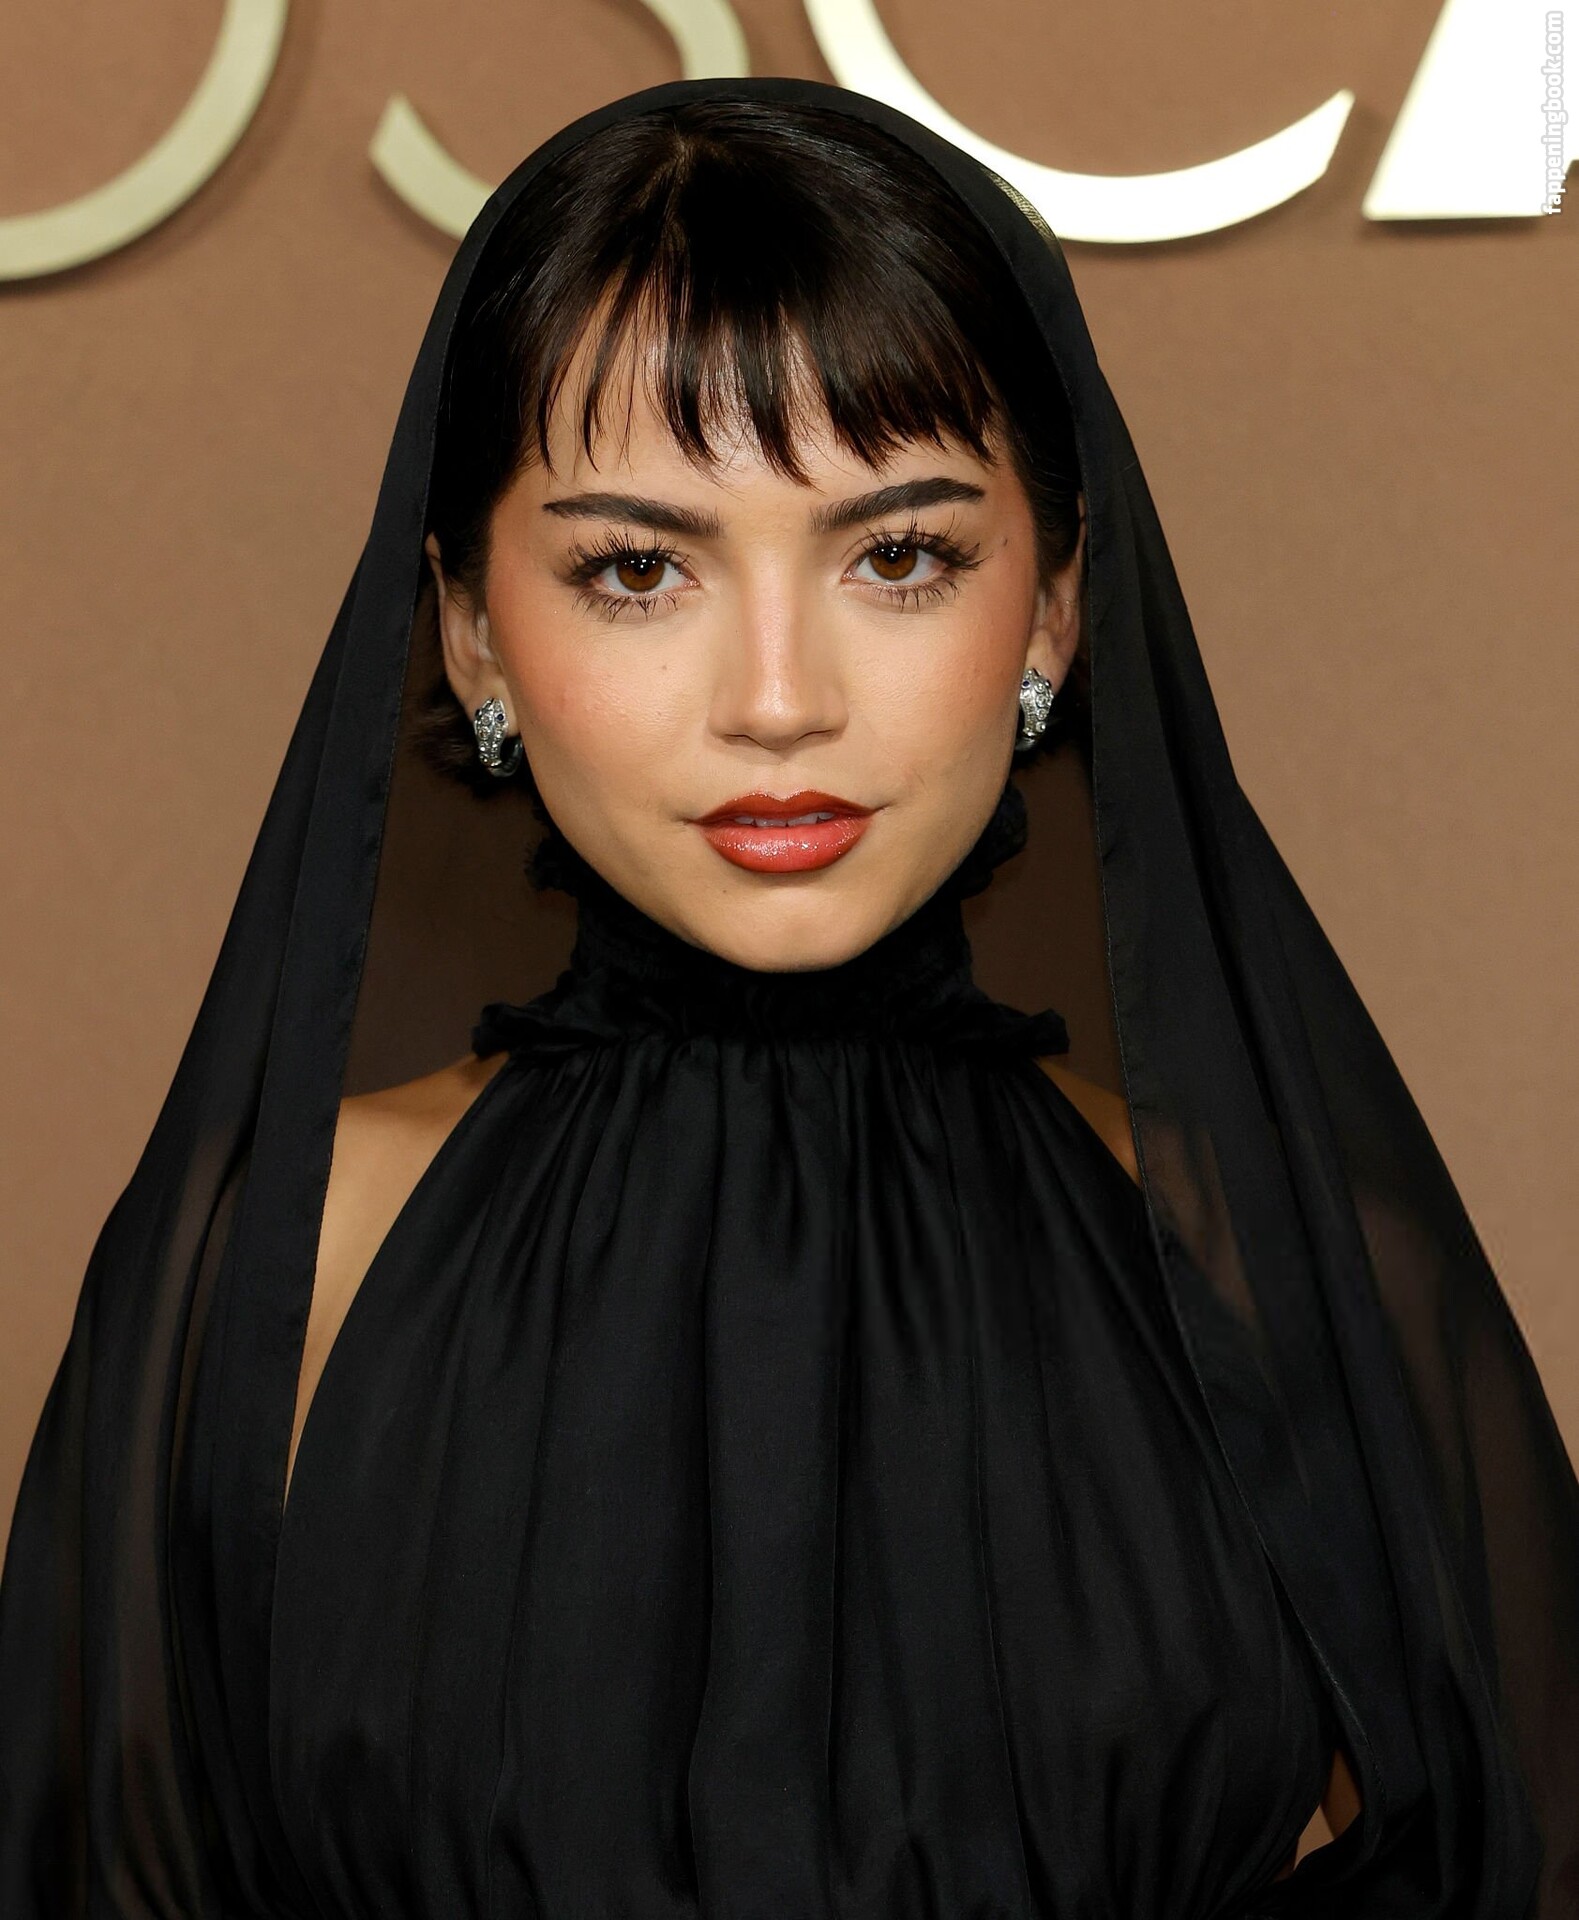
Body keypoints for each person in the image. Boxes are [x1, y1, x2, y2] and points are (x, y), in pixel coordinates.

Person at [1, 75, 1575, 1919]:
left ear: (1055, 605)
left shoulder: (1271, 1275)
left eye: (899, 556)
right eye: (638, 568)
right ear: (472, 628)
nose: (777, 699)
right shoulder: (282, 1265)